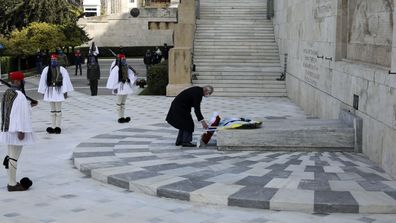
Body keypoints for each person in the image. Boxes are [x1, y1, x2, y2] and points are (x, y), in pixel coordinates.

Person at [1, 71, 35, 191]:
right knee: (14, 157)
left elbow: (14, 111)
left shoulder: (8, 93)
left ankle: (11, 181)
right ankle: (12, 184)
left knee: (11, 156)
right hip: (17, 130)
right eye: (22, 80)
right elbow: (21, 114)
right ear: (17, 81)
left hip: (8, 129)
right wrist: (21, 130)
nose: (23, 82)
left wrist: (29, 105)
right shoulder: (19, 95)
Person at [38, 53, 74, 134]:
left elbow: (66, 80)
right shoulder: (46, 69)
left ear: (57, 60)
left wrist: (65, 91)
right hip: (50, 90)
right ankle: (53, 126)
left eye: (54, 60)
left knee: (58, 110)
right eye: (52, 60)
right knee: (52, 110)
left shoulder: (62, 69)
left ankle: (58, 126)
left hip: (58, 90)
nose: (53, 61)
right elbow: (42, 81)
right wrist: (43, 91)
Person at [106, 53, 137, 123]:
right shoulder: (116, 66)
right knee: (119, 103)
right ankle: (120, 117)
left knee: (123, 103)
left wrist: (130, 78)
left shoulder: (126, 65)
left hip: (125, 85)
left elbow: (130, 73)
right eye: (123, 58)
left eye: (124, 58)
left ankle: (122, 116)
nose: (124, 59)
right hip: (120, 86)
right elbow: (113, 75)